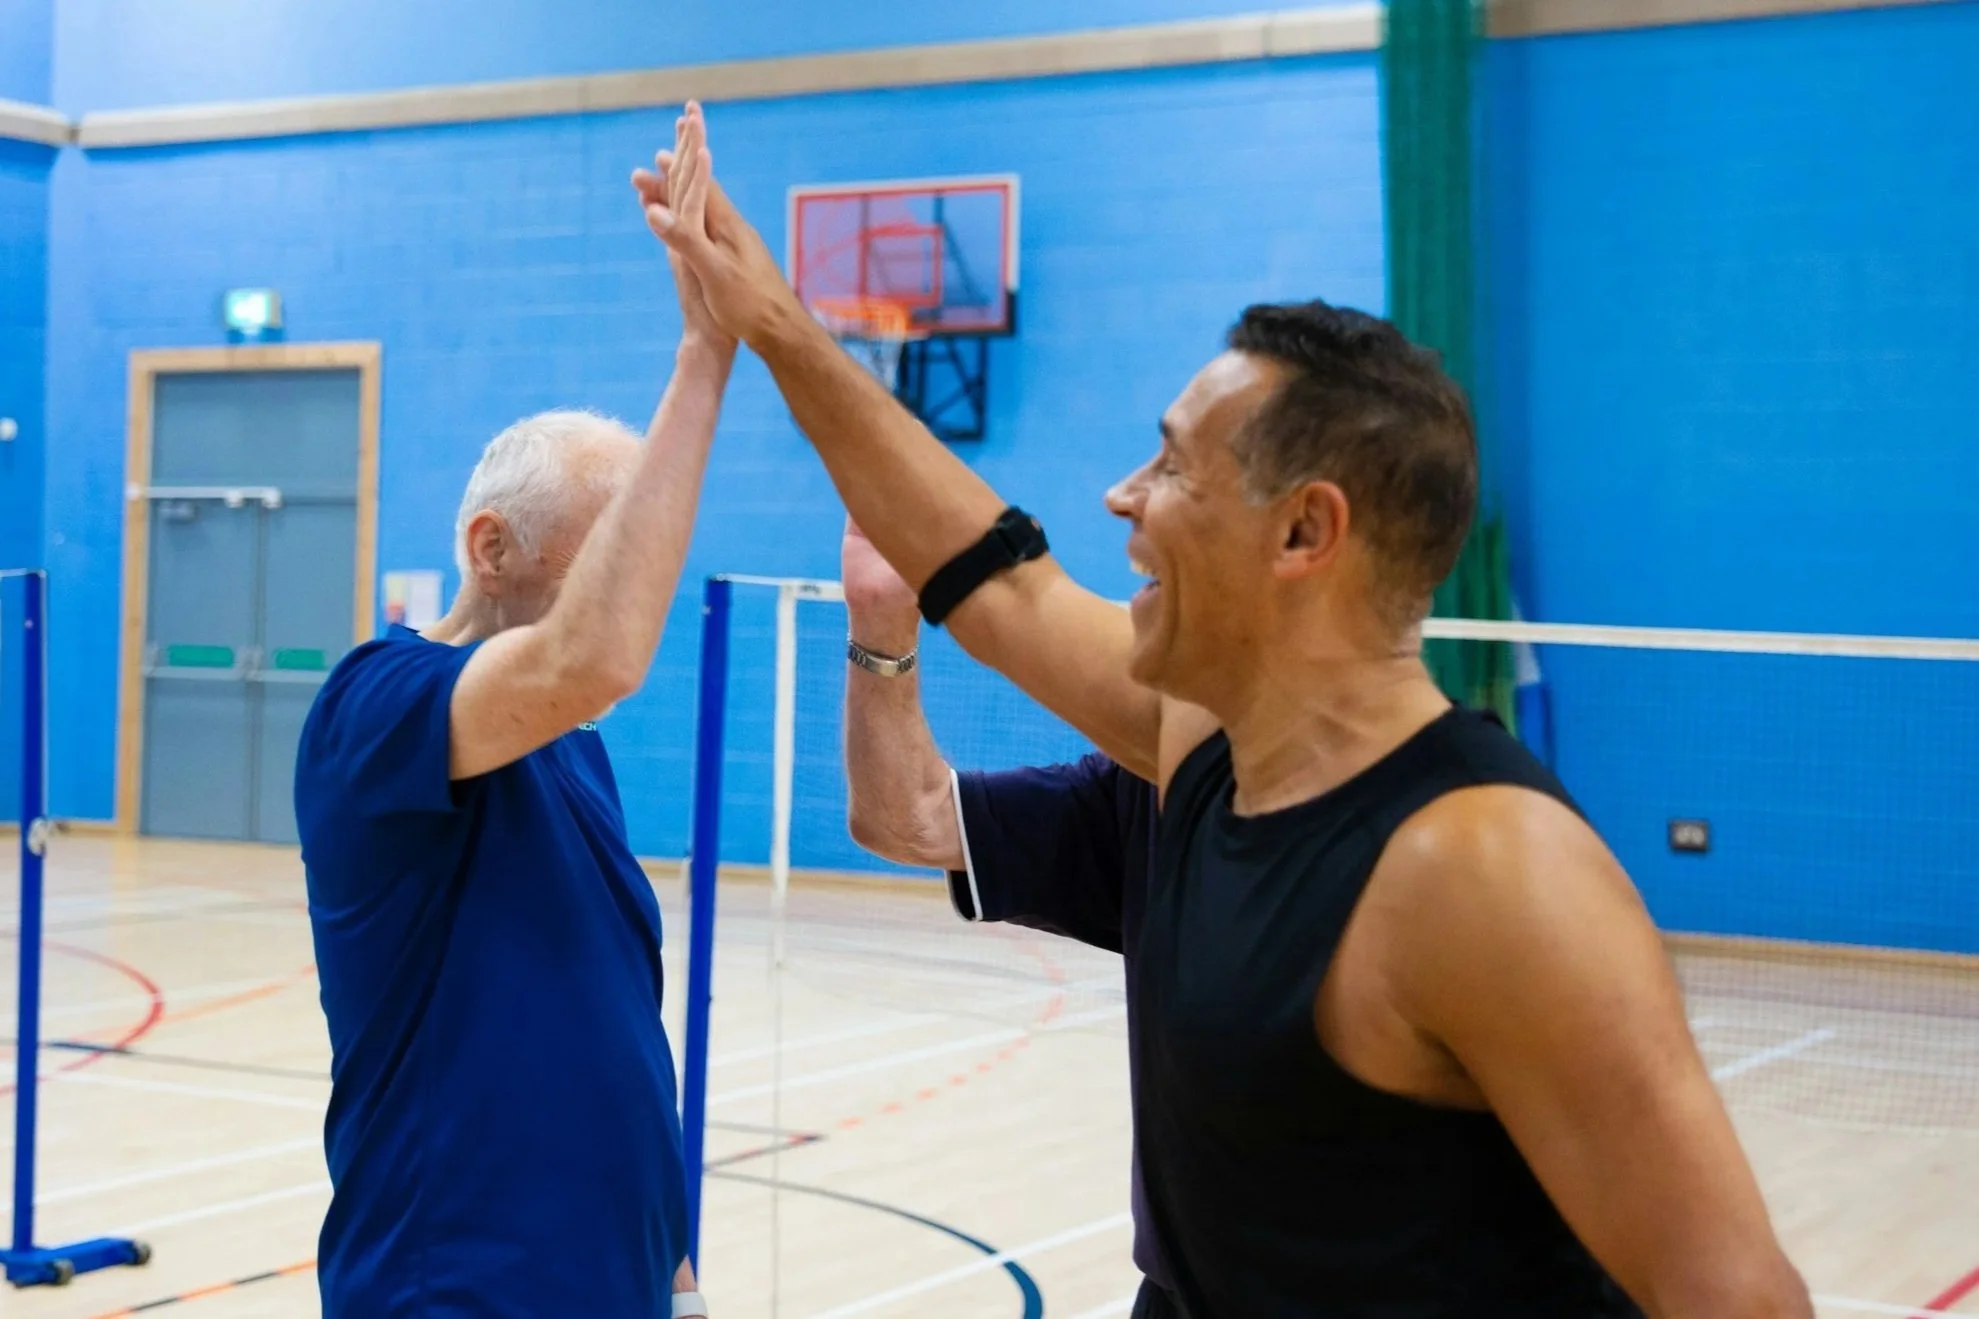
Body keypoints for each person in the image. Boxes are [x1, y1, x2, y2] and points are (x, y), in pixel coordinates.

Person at [643, 103, 1813, 1317]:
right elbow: (999, 581)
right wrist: (774, 324)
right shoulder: (1202, 740)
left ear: (1304, 530)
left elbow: (1738, 1298)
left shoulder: (1485, 869)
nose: (1120, 496)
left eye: (1170, 468)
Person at [294, 115, 727, 1319]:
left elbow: (615, 1019)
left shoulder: (573, 750)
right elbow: (595, 653)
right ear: (492, 547)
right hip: (451, 1287)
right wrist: (706, 352)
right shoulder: (372, 706)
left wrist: (677, 1268)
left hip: (616, 1280)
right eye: (614, 540)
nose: (646, 572)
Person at [839, 517, 1174, 1297]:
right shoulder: (1145, 788)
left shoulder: (1426, 820)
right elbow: (908, 817)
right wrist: (882, 620)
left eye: (1179, 472)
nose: (1125, 498)